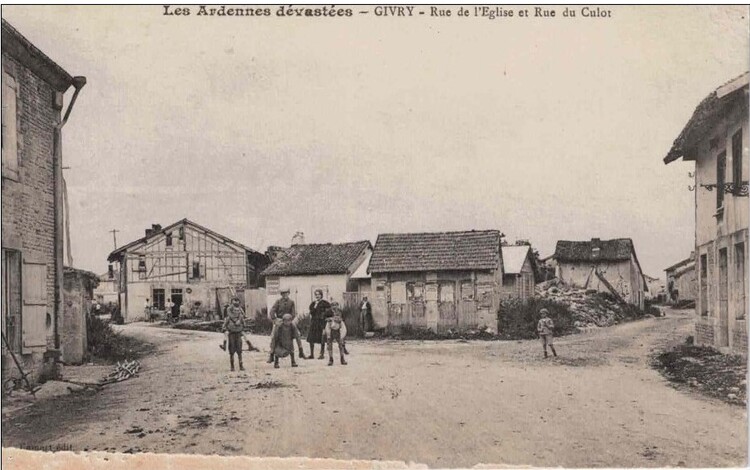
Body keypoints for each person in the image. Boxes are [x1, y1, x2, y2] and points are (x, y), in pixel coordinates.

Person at [267, 288, 296, 363]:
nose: (284, 295)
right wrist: (274, 319)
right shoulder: (278, 301)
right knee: (274, 337)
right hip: (279, 321)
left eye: (286, 293)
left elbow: (293, 313)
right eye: (283, 293)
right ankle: (272, 355)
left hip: (288, 321)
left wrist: (290, 319)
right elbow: (272, 310)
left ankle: (293, 360)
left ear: (288, 293)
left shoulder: (291, 302)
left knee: (294, 336)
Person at [222, 298, 247, 371]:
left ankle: (241, 365)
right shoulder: (228, 318)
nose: (236, 312)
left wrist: (242, 328)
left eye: (238, 311)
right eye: (235, 311)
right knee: (231, 351)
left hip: (238, 334)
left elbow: (244, 325)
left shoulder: (241, 317)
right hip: (231, 334)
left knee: (239, 350)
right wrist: (225, 330)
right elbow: (224, 326)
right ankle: (232, 366)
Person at [307, 289, 331, 359]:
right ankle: (311, 354)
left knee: (322, 338)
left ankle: (322, 354)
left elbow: (329, 312)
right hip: (314, 322)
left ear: (321, 295)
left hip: (322, 322)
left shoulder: (325, 303)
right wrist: (315, 306)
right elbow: (312, 312)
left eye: (319, 294)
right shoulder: (313, 304)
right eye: (316, 295)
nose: (317, 296)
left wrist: (324, 315)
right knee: (311, 338)